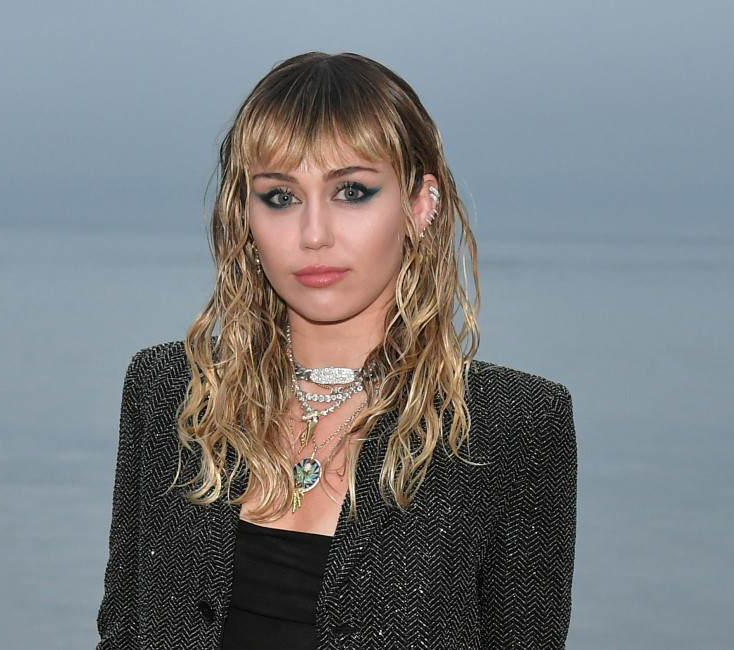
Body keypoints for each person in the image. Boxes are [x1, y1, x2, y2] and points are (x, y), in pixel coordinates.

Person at [96, 52, 576, 650]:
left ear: (420, 203)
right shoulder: (170, 391)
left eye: (352, 191)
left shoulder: (513, 424)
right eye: (280, 196)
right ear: (244, 214)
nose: (314, 234)